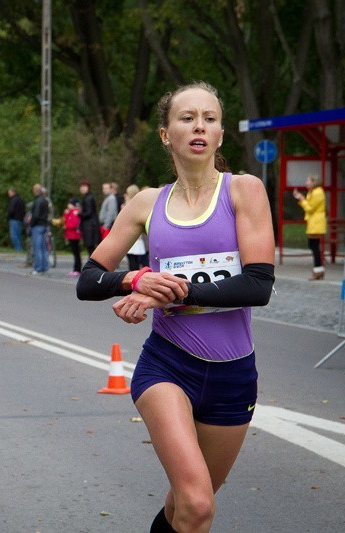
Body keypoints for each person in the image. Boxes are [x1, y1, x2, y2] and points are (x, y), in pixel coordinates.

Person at [77, 82, 275, 532]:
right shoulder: (147, 203)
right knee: (199, 506)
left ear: (221, 134)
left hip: (234, 375)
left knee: (181, 509)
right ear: (166, 134)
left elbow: (258, 285)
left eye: (209, 118)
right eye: (187, 118)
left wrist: (175, 291)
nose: (199, 126)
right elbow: (89, 280)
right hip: (168, 367)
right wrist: (136, 278)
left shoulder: (244, 190)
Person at [293, 175, 327, 280]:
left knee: (314, 247)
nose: (306, 183)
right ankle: (319, 270)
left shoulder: (317, 192)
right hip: (313, 223)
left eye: (308, 181)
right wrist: (302, 198)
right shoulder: (313, 192)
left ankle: (318, 271)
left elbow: (310, 208)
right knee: (314, 246)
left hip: (316, 223)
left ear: (314, 182)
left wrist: (301, 199)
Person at [123, 184, 149, 270]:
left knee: (132, 261)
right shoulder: (142, 205)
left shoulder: (128, 206)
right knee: (137, 261)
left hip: (131, 237)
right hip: (139, 237)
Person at [30, 183, 50, 274]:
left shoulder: (38, 201)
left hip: (37, 226)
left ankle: (38, 267)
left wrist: (31, 224)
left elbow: (36, 215)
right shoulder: (45, 201)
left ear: (35, 191)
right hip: (44, 225)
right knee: (44, 248)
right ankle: (45, 266)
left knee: (37, 248)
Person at [78, 180, 101, 254]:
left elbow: (89, 212)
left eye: (84, 187)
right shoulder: (87, 198)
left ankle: (93, 265)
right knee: (91, 248)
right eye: (81, 187)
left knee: (90, 247)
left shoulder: (88, 198)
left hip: (89, 227)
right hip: (90, 226)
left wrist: (79, 214)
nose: (82, 188)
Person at [63, 198, 82, 276]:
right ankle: (76, 269)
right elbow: (66, 219)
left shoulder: (75, 212)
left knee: (76, 253)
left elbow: (74, 224)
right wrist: (66, 214)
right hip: (70, 235)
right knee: (75, 253)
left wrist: (67, 226)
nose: (68, 205)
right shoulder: (70, 212)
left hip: (74, 235)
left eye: (70, 204)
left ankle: (77, 269)